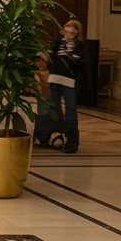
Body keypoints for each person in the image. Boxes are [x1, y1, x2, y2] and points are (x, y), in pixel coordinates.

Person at [47, 19, 85, 155]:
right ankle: (60, 131)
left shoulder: (80, 46)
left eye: (72, 30)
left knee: (70, 112)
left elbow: (80, 63)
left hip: (69, 81)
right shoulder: (57, 44)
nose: (69, 32)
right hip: (55, 78)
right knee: (54, 108)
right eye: (67, 29)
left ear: (77, 32)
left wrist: (68, 56)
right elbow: (51, 58)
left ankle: (72, 140)